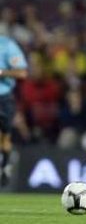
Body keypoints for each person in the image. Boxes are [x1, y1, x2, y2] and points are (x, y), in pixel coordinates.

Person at [0, 36, 28, 186]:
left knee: (4, 138)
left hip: (3, 98)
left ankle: (5, 166)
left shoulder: (7, 45)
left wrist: (1, 72)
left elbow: (22, 72)